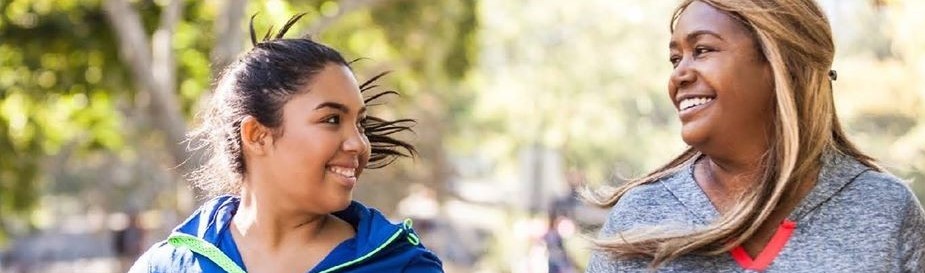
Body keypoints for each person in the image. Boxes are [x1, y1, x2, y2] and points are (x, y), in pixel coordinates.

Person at [585, 0, 925, 272]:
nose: (679, 75)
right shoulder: (639, 216)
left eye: (702, 50)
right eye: (675, 59)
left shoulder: (884, 209)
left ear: (782, 63)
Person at [129, 14, 443, 273]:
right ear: (257, 135)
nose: (359, 144)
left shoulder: (404, 266)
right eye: (332, 119)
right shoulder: (167, 266)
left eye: (359, 124)